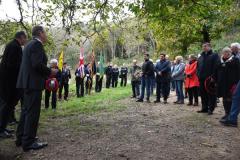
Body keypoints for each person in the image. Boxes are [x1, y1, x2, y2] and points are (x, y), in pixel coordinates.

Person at [16, 26, 58, 151]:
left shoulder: (29, 44)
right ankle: (28, 142)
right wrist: (50, 71)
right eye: (45, 32)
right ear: (40, 33)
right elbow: (36, 64)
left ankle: (21, 138)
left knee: (26, 111)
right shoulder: (37, 45)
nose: (46, 35)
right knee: (32, 113)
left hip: (27, 82)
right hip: (33, 84)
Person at [0, 31, 27, 138]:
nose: (26, 41)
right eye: (26, 38)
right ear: (21, 37)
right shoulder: (14, 47)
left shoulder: (12, 45)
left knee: (9, 106)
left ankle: (3, 127)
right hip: (8, 82)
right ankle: (0, 129)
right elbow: (12, 65)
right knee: (5, 105)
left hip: (8, 81)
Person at [214, 47, 240, 121]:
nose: (227, 53)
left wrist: (237, 82)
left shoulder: (235, 60)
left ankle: (231, 115)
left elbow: (238, 72)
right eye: (225, 52)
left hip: (232, 84)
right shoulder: (219, 61)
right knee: (224, 98)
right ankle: (226, 113)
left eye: (229, 52)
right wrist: (215, 80)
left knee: (230, 99)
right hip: (221, 83)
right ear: (223, 53)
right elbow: (215, 70)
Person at [197, 42, 220, 115]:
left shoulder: (214, 55)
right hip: (201, 78)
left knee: (211, 94)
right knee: (203, 94)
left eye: (205, 46)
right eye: (203, 46)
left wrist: (213, 77)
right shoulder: (201, 56)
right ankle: (204, 108)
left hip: (210, 79)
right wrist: (198, 74)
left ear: (209, 47)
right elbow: (198, 67)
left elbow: (216, 67)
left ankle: (211, 109)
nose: (203, 48)